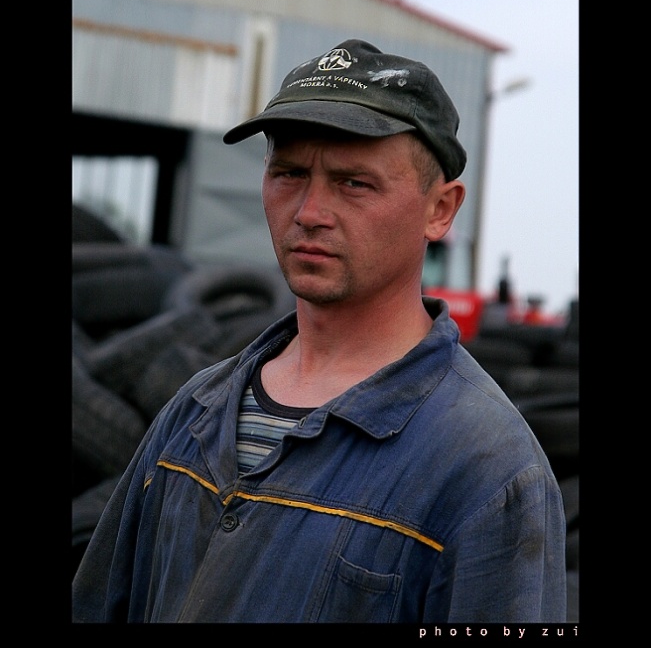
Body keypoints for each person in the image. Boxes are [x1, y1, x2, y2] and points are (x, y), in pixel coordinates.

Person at [72, 39, 567, 623]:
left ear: (441, 209)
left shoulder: (488, 469)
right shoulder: (195, 413)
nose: (309, 212)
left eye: (354, 183)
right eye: (289, 173)